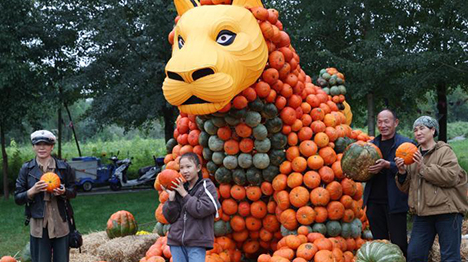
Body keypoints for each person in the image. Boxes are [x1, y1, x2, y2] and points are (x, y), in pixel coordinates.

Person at [395, 116, 468, 262]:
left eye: (422, 128)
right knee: (415, 255)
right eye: (415, 130)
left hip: (447, 212)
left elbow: (451, 177)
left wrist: (424, 168)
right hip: (422, 214)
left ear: (433, 130)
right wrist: (402, 173)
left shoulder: (445, 151)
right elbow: (407, 188)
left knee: (450, 257)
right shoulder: (412, 154)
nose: (418, 132)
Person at [14, 130, 77, 262]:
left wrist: (64, 192)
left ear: (52, 146)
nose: (42, 148)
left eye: (46, 144)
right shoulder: (26, 169)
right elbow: (18, 198)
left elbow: (73, 191)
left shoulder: (63, 167)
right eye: (38, 144)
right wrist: (32, 191)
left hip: (61, 222)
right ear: (33, 147)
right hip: (38, 224)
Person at [363, 109, 414, 257]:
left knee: (399, 245)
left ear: (395, 123)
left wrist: (389, 165)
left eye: (386, 121)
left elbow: (410, 172)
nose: (383, 125)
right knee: (380, 245)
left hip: (396, 202)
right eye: (379, 122)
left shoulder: (405, 144)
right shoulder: (371, 145)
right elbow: (362, 171)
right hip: (374, 202)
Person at [162, 152, 220, 262]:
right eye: (182, 168)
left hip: (196, 242)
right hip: (176, 241)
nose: (185, 171)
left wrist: (184, 194)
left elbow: (201, 210)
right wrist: (172, 199)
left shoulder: (206, 186)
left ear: (198, 168)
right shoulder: (179, 188)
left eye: (188, 167)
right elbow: (170, 218)